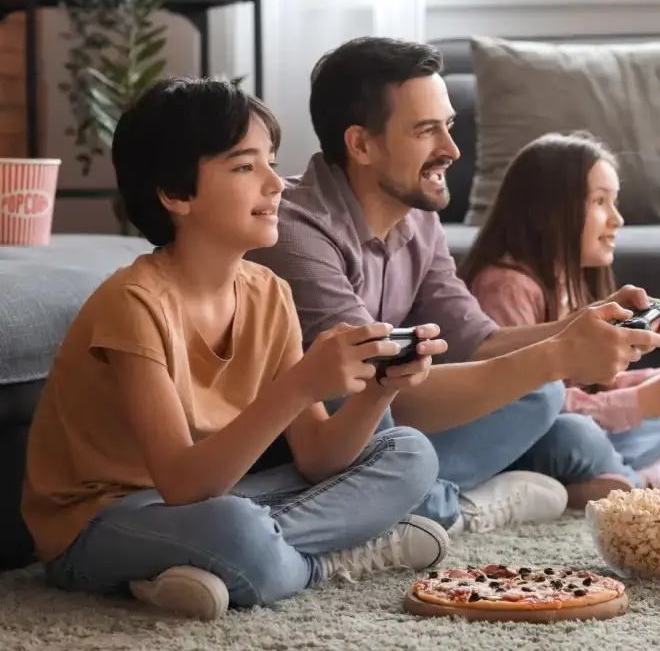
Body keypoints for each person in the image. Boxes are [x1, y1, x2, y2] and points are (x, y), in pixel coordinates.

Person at [21, 77, 451, 623]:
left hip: (214, 500)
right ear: (176, 195)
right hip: (99, 522)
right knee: (235, 530)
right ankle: (325, 561)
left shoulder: (268, 292)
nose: (276, 183)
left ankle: (215, 565)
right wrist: (300, 385)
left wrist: (377, 390)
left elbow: (317, 457)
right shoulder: (133, 303)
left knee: (409, 452)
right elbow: (181, 484)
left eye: (271, 162)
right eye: (246, 167)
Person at [247, 36, 660, 529]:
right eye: (426, 131)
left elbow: (478, 342)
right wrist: (558, 355)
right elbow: (373, 392)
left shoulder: (419, 217)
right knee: (534, 396)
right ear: (361, 144)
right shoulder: (295, 232)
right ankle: (448, 503)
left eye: (448, 126)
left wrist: (588, 322)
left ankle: (453, 494)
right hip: (330, 445)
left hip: (393, 428)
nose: (452, 150)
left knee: (563, 424)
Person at [460, 131, 660, 488]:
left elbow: (595, 387)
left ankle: (616, 479)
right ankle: (637, 482)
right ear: (545, 213)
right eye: (600, 201)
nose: (617, 219)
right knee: (577, 436)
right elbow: (527, 404)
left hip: (569, 426)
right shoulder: (507, 286)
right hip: (522, 437)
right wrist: (638, 402)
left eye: (614, 202)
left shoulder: (568, 281)